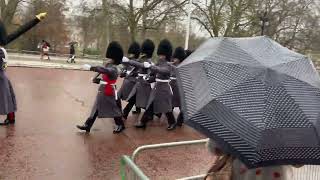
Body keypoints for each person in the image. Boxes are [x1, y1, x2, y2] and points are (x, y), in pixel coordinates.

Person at [0, 13, 47, 125]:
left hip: (1, 58)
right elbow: (19, 31)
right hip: (2, 57)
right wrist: (36, 19)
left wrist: (36, 20)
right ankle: (11, 117)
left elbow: (19, 31)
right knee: (5, 89)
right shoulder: (3, 38)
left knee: (4, 89)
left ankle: (11, 117)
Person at [76, 41, 125, 134]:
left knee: (113, 109)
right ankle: (88, 125)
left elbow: (104, 70)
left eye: (110, 58)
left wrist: (91, 67)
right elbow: (104, 77)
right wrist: (96, 80)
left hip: (109, 91)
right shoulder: (109, 65)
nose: (108, 59)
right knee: (96, 107)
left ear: (114, 58)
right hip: (103, 90)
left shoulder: (114, 68)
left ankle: (120, 125)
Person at [135, 39, 176, 130]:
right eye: (160, 54)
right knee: (150, 105)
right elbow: (155, 74)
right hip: (157, 87)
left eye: (162, 55)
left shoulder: (168, 65)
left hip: (164, 89)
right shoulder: (159, 63)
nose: (160, 56)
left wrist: (151, 66)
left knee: (167, 108)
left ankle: (172, 122)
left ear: (166, 55)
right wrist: (149, 79)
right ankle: (143, 122)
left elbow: (163, 71)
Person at [122, 39, 155, 116]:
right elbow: (136, 64)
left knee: (147, 101)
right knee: (133, 98)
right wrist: (139, 58)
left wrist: (147, 76)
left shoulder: (149, 61)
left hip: (144, 83)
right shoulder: (142, 59)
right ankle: (125, 113)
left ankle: (151, 114)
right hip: (139, 82)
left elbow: (149, 70)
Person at [118, 41, 141, 120]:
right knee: (118, 97)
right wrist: (123, 73)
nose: (130, 54)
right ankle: (122, 112)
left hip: (133, 83)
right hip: (126, 82)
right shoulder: (129, 61)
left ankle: (125, 112)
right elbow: (125, 69)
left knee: (132, 99)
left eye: (132, 53)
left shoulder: (137, 62)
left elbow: (137, 72)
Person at [170, 47, 186, 126]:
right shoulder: (172, 64)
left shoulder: (182, 66)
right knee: (170, 103)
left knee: (180, 104)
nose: (174, 59)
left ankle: (180, 119)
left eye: (176, 58)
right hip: (172, 85)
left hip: (179, 86)